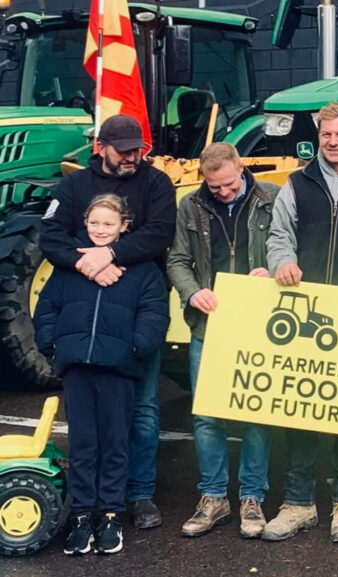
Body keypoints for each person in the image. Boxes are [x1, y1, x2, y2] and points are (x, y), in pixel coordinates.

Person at [40, 114, 175, 529]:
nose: (133, 157)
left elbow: (159, 234)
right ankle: (88, 502)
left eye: (138, 149)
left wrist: (111, 254)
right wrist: (89, 264)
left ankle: (139, 493)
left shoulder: (156, 183)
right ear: (102, 148)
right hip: (83, 315)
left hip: (134, 312)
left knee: (144, 410)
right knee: (87, 425)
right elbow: (51, 236)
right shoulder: (73, 186)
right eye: (124, 151)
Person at [263, 102, 338, 543]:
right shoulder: (297, 183)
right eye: (326, 134)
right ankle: (298, 503)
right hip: (304, 308)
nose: (333, 142)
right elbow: (279, 235)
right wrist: (282, 261)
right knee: (300, 408)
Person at [166, 143, 279, 539]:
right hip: (208, 323)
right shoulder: (190, 205)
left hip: (258, 322)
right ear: (204, 179)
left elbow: (292, 247)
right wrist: (192, 291)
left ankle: (252, 497)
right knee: (206, 413)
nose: (225, 193)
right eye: (215, 188)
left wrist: (273, 269)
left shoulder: (272, 197)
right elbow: (177, 259)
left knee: (256, 410)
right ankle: (214, 497)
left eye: (230, 185)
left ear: (241, 168)